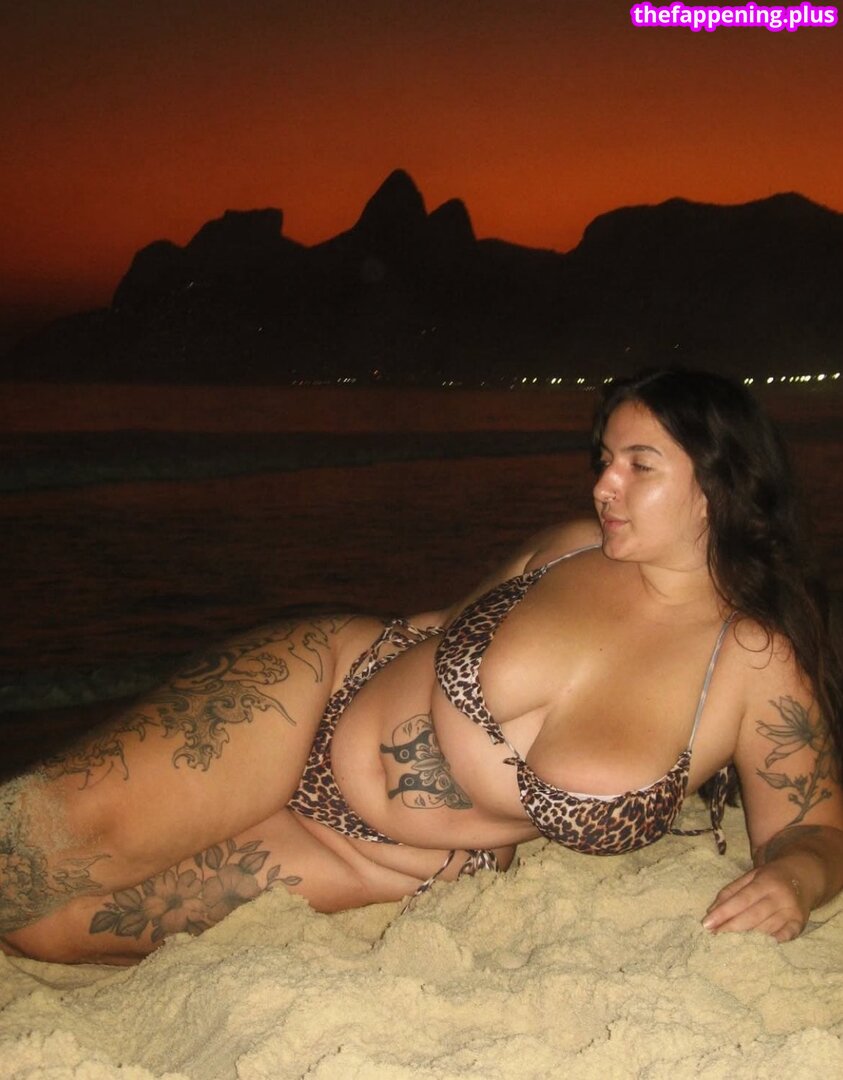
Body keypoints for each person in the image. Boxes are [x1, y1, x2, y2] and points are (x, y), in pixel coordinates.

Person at [2, 368, 842, 966]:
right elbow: (436, 627)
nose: (602, 486)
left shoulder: (754, 660)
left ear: (718, 485)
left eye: (637, 465)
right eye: (602, 459)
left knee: (47, 931)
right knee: (36, 850)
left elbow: (813, 827)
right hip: (312, 699)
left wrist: (795, 879)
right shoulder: (570, 549)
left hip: (383, 858)